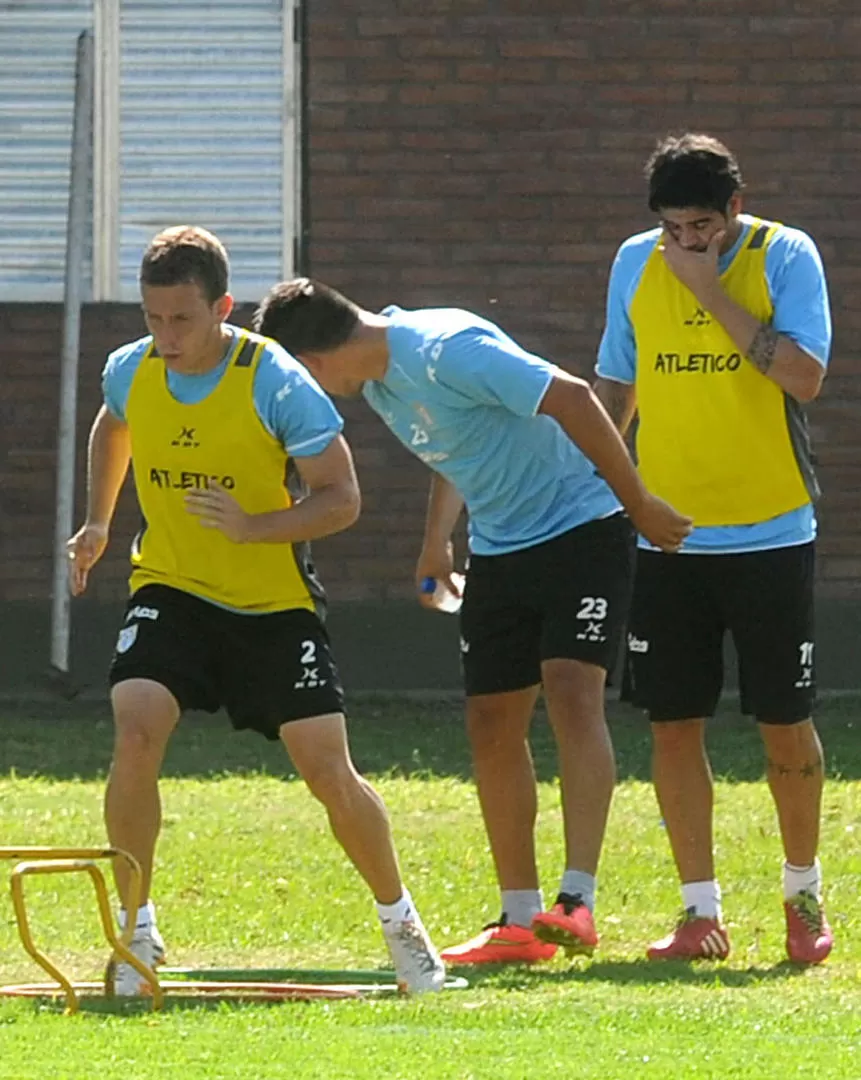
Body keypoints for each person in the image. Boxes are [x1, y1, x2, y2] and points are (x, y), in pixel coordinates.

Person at [254, 279, 692, 965]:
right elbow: (454, 445)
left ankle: (575, 902)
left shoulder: (445, 348)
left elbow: (572, 396)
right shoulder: (375, 382)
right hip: (500, 544)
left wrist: (635, 500)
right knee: (490, 722)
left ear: (309, 362)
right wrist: (437, 539)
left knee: (572, 692)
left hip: (583, 526)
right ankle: (518, 919)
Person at [66, 226, 445, 995]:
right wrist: (100, 522)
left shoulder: (272, 377)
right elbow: (116, 423)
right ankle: (138, 939)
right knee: (135, 725)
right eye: (152, 319)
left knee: (328, 773)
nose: (165, 337)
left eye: (182, 319)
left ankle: (403, 928)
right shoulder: (129, 370)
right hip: (170, 587)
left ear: (223, 308)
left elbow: (341, 499)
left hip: (272, 604)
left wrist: (253, 527)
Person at [593, 133, 833, 964]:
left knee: (783, 726)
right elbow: (615, 388)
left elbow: (802, 375)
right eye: (673, 227)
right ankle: (699, 912)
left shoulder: (784, 255)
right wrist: (609, 489)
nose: (685, 242)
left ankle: (802, 895)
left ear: (735, 208)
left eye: (701, 225)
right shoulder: (634, 261)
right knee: (671, 723)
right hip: (669, 538)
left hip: (772, 532)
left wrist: (709, 292)